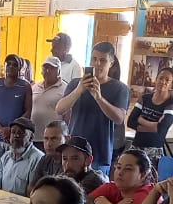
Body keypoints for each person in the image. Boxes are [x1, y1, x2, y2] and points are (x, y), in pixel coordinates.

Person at [55, 41, 130, 176]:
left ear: (111, 63)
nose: (98, 64)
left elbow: (119, 118)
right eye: (94, 59)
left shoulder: (120, 88)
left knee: (94, 193)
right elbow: (59, 109)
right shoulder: (75, 84)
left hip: (99, 153)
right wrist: (79, 90)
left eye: (103, 60)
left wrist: (99, 98)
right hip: (74, 151)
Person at [0, 54, 33, 185]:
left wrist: (11, 129)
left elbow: (28, 111)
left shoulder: (25, 86)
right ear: (4, 67)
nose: (11, 67)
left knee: (10, 179)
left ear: (20, 68)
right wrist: (0, 129)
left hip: (15, 139)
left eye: (14, 64)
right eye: (8, 64)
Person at [89, 148, 155, 204]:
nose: (120, 173)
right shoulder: (112, 187)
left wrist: (100, 201)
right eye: (118, 167)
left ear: (143, 175)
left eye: (128, 169)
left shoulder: (148, 192)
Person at [130, 67, 173, 163]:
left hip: (154, 150)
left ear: (171, 84)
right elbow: (131, 122)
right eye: (160, 78)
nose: (163, 82)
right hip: (136, 147)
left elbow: (162, 128)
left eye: (167, 80)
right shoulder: (145, 98)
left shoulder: (172, 104)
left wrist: (141, 120)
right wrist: (154, 125)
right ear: (156, 79)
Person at [0, 118, 43, 196]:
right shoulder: (5, 157)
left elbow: (32, 195)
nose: (16, 136)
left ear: (31, 137)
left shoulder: (38, 158)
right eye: (13, 132)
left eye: (21, 133)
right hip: (2, 202)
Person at [30, 119, 67, 189]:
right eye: (46, 139)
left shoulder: (69, 163)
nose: (48, 144)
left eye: (54, 139)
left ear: (67, 139)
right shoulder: (44, 159)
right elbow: (32, 187)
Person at [31, 56, 67, 127]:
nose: (47, 71)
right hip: (34, 134)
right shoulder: (35, 87)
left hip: (54, 135)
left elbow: (68, 115)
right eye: (46, 68)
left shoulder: (65, 88)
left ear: (58, 71)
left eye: (52, 68)